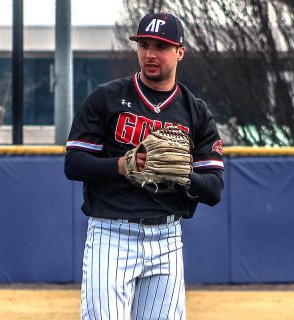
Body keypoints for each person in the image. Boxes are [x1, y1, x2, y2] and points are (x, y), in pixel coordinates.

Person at [64, 12, 224, 320]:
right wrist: (121, 166)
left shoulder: (196, 112)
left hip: (166, 238)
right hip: (111, 233)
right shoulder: (107, 98)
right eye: (144, 44)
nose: (150, 54)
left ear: (180, 52)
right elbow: (73, 164)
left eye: (161, 46)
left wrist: (183, 175)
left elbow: (214, 189)